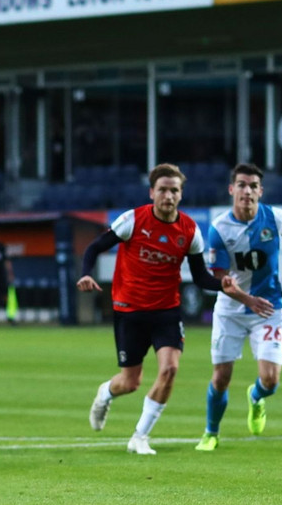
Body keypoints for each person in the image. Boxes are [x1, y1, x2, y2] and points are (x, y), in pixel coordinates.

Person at [78, 164, 255, 455]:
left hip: (166, 312)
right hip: (129, 311)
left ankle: (140, 436)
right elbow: (95, 247)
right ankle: (105, 393)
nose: (168, 195)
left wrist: (223, 284)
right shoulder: (133, 220)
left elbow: (199, 277)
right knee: (130, 382)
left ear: (181, 194)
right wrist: (86, 273)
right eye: (162, 189)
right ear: (152, 193)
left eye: (174, 190)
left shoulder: (189, 230)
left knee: (170, 369)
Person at [197, 163, 282, 451]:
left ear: (260, 191)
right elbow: (220, 278)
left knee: (271, 380)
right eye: (241, 185)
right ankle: (211, 433)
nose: (247, 191)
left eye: (252, 186)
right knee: (221, 376)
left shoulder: (276, 218)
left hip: (269, 309)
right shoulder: (219, 229)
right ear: (231, 189)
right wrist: (249, 300)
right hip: (231, 310)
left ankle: (256, 397)